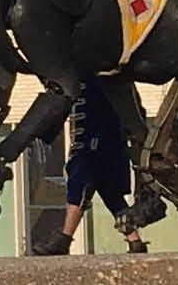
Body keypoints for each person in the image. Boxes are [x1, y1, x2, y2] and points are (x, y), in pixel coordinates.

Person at [34, 75, 148, 256]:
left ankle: (64, 238)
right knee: (110, 193)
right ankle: (135, 241)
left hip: (94, 142)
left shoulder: (96, 78)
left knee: (80, 185)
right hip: (101, 141)